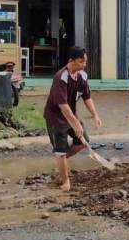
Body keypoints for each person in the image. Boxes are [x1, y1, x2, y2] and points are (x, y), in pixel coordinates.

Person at [43, 46, 103, 191]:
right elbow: (63, 106)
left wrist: (95, 115)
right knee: (60, 150)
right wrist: (76, 124)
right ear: (71, 61)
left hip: (71, 114)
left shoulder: (82, 76)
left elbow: (87, 97)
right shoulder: (61, 77)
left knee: (83, 141)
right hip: (56, 118)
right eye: (81, 62)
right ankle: (65, 181)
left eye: (85, 62)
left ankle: (61, 160)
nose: (84, 65)